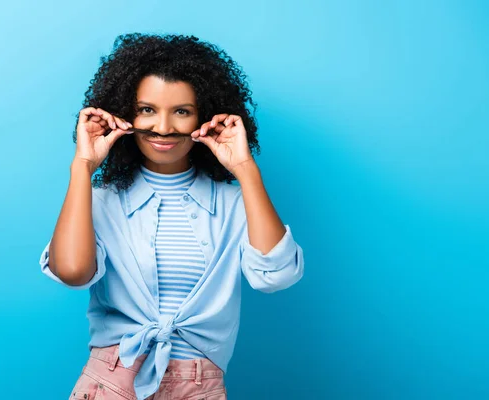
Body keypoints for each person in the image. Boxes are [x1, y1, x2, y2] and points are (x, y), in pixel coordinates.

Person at [39, 33, 304, 400]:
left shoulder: (234, 205)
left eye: (181, 111)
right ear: (125, 113)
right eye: (147, 109)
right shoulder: (100, 200)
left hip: (199, 387)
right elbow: (71, 272)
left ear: (204, 115)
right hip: (111, 382)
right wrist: (82, 167)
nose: (162, 127)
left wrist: (245, 169)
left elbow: (277, 275)